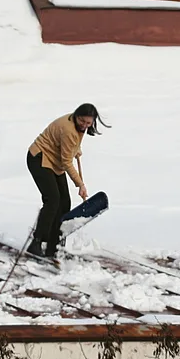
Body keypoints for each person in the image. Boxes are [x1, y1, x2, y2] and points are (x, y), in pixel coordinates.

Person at [26, 103, 108, 259]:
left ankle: (53, 241)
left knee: (65, 203)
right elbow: (66, 162)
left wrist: (75, 149)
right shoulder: (69, 129)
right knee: (53, 200)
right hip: (39, 158)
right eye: (82, 121)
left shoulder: (78, 126)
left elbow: (68, 146)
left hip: (53, 161)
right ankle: (36, 242)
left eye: (88, 123)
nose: (84, 125)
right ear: (76, 116)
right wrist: (80, 184)